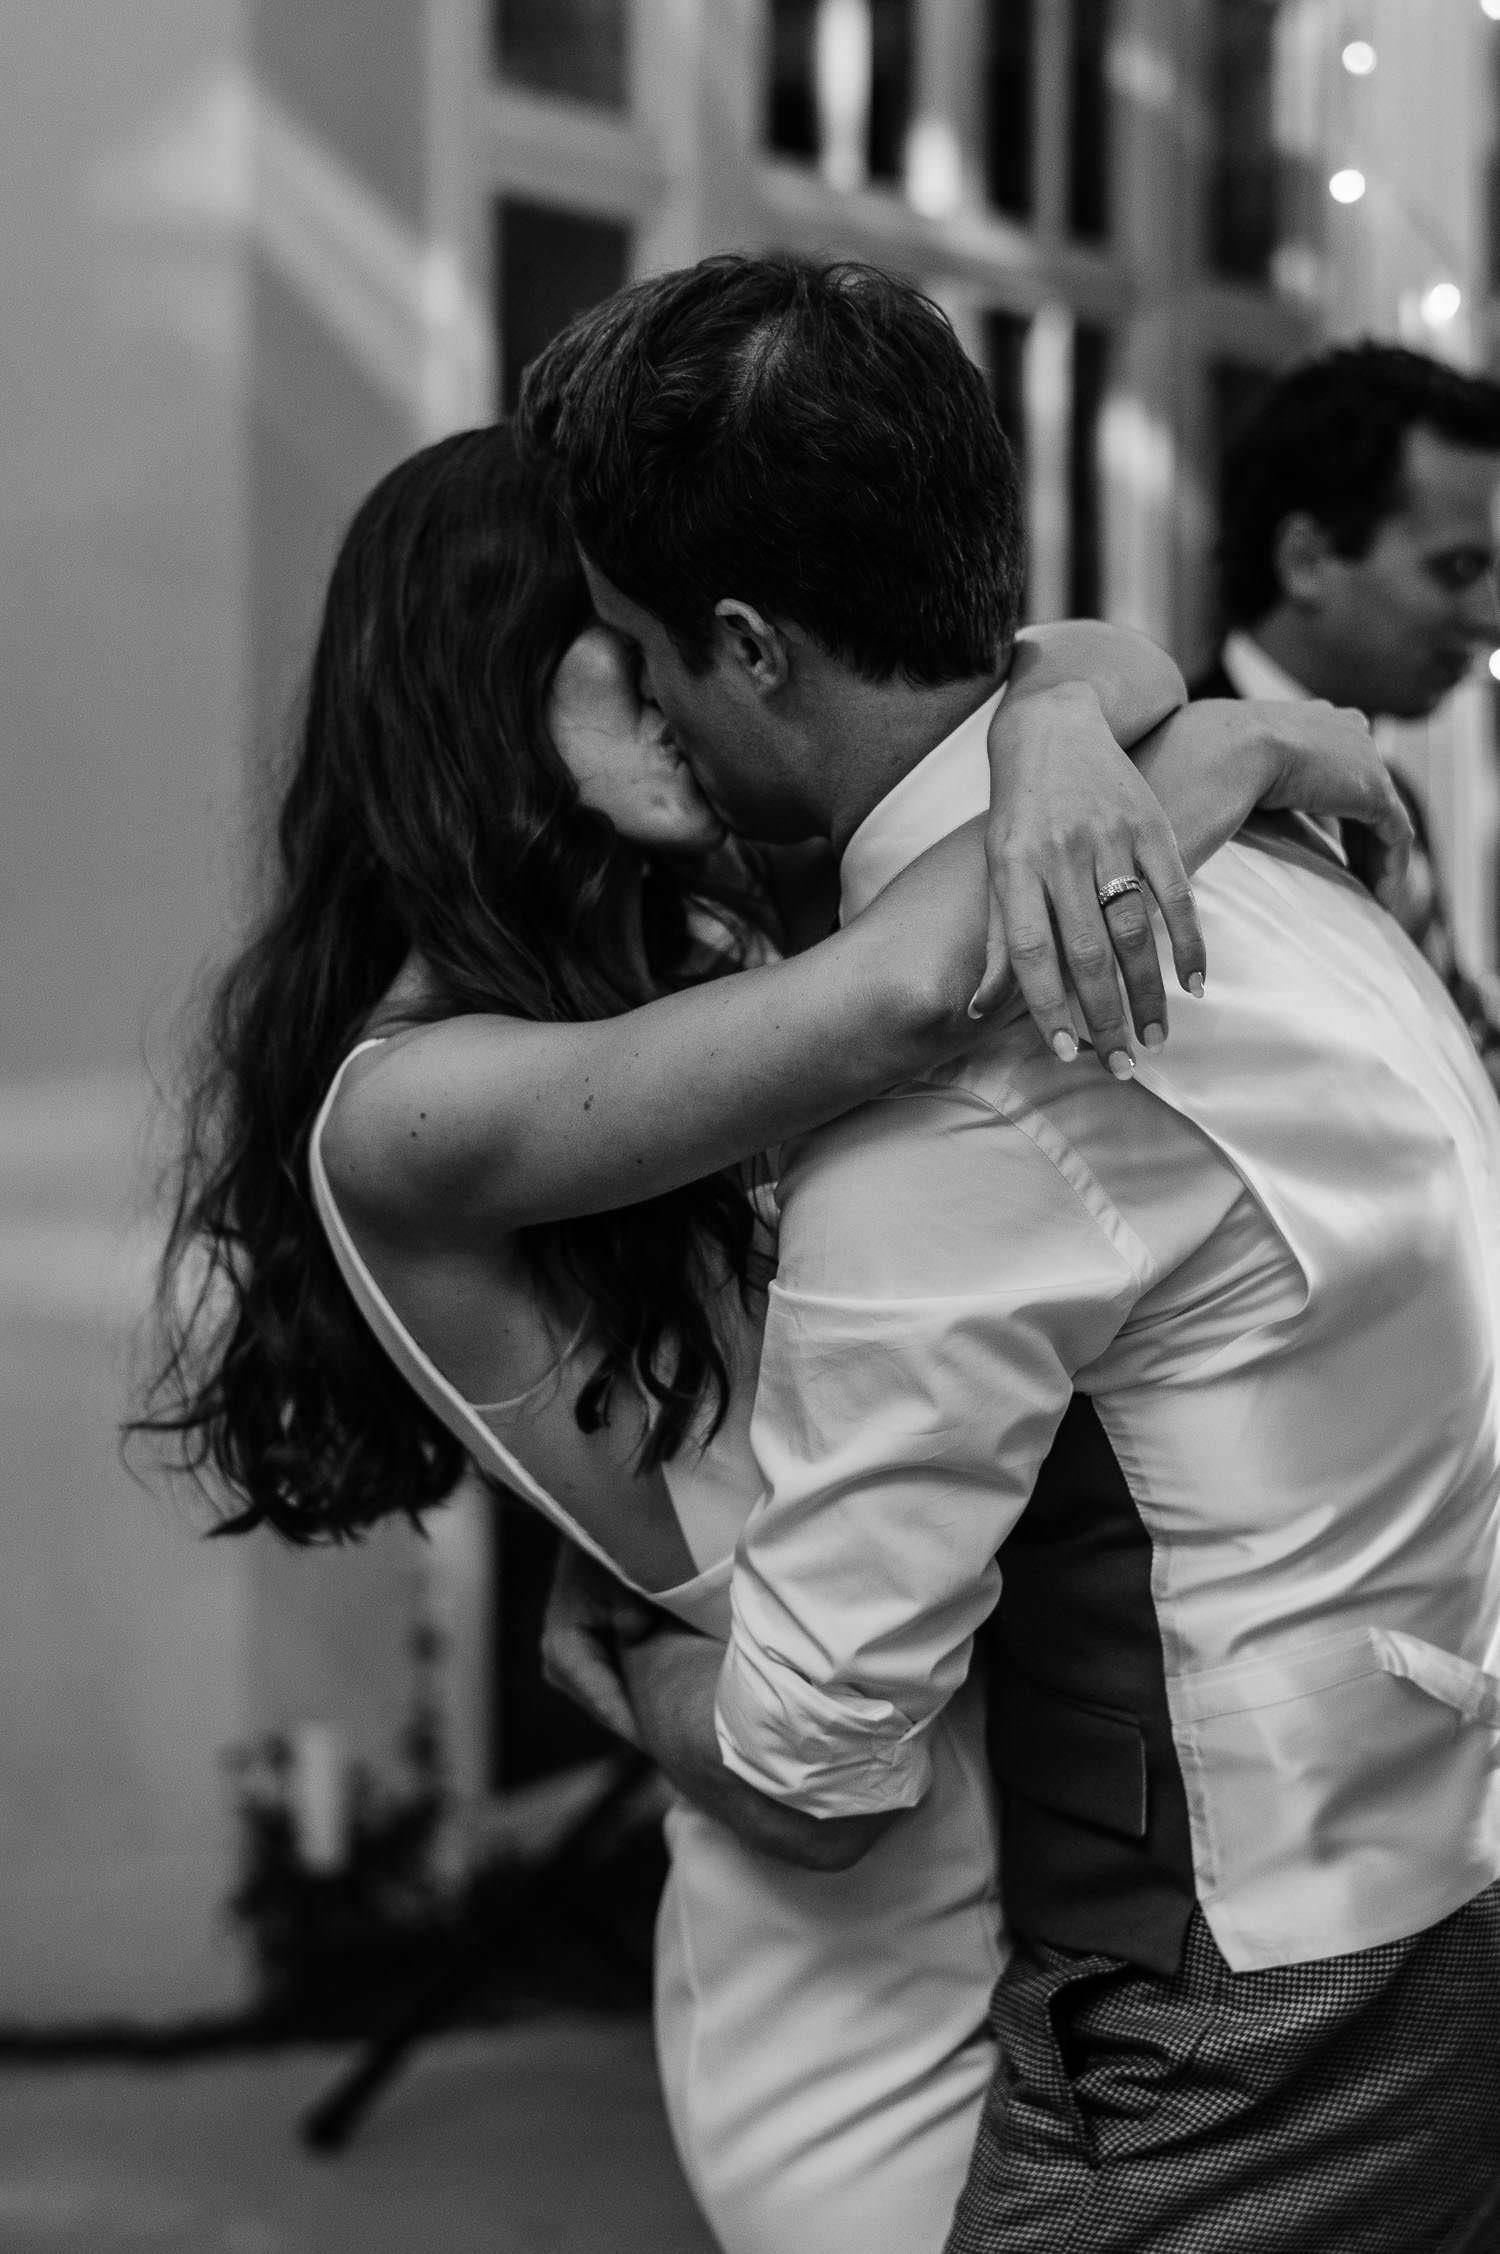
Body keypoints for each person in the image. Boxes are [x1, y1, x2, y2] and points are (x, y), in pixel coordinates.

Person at [131, 414, 1403, 2254]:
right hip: (854, 1952)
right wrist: (1241, 735)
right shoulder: (412, 1103)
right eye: (640, 644)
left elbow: (1051, 665)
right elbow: (918, 993)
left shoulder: (704, 945)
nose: (712, 682)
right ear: (501, 672)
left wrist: (1063, 726)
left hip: (1068, 1871)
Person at [527, 252, 1500, 2253]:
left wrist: (623, 1653)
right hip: (1446, 1888)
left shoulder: (964, 1108)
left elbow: (814, 1762)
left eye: (646, 650)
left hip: (1224, 2040)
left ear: (748, 646)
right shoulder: (1272, 841)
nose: (645, 715)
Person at [1197, 341, 1500, 1070]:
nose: (1491, 614)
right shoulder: (1178, 785)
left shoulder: (1395, 808)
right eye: (1458, 568)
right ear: (1307, 559)